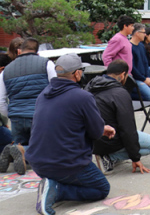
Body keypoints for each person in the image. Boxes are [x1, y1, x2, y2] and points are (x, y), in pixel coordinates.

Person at [26, 54, 115, 215]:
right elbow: (95, 133)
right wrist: (101, 128)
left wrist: (101, 128)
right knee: (101, 188)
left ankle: (52, 184)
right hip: (66, 163)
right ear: (77, 74)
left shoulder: (43, 94)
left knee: (73, 177)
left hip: (38, 162)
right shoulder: (83, 97)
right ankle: (57, 190)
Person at [86, 60, 150, 175]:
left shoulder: (89, 86)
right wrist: (135, 158)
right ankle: (110, 156)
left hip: (91, 141)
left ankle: (108, 155)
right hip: (110, 137)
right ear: (122, 75)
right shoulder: (120, 93)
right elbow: (127, 128)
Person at [0, 37, 56, 175]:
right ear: (37, 52)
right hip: (39, 114)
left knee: (22, 148)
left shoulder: (6, 71)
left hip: (16, 117)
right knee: (45, 147)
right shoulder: (46, 64)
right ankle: (22, 150)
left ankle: (17, 149)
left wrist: (11, 114)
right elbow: (55, 88)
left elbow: (1, 100)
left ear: (20, 51)